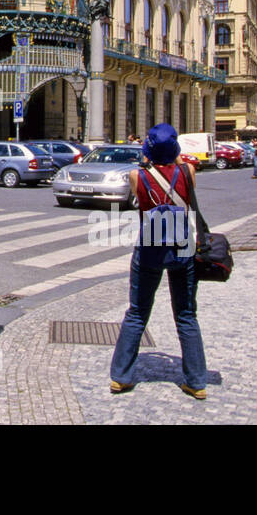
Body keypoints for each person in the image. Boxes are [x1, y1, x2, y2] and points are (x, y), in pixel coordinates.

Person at [108, 123, 208, 400]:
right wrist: (173, 156)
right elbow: (181, 172)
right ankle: (196, 381)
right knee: (186, 314)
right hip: (182, 247)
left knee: (137, 312)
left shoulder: (136, 176)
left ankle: (121, 377)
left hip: (150, 247)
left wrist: (149, 159)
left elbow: (143, 180)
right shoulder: (188, 171)